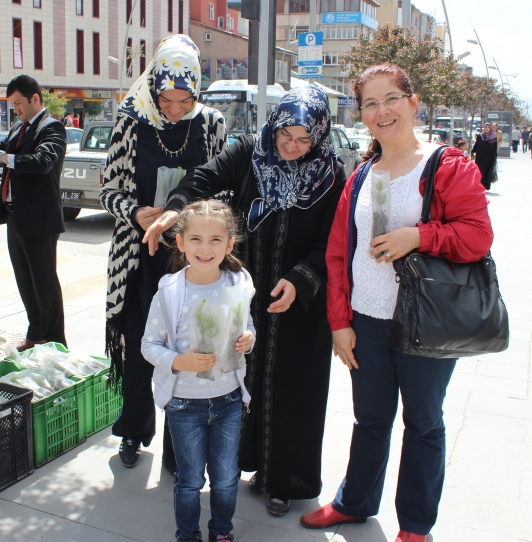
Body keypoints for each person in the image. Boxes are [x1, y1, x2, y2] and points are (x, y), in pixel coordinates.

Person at [300, 63, 493, 542]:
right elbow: (339, 254)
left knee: (423, 423)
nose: (381, 110)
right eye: (370, 103)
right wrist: (339, 321)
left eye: (391, 99)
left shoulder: (447, 165)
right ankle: (355, 502)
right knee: (369, 419)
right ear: (361, 114)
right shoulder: (362, 174)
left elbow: (477, 237)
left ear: (412, 102)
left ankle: (415, 525)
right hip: (366, 321)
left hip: (424, 322)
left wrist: (418, 236)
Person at [145, 86, 347, 516]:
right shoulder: (249, 153)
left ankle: (281, 480)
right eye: (285, 135)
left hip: (296, 301)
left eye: (303, 139)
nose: (291, 146)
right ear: (273, 126)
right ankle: (203, 464)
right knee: (222, 371)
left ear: (319, 137)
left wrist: (302, 278)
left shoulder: (331, 175)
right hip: (238, 292)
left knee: (289, 388)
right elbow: (201, 179)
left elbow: (334, 239)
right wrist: (176, 210)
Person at [100, 34, 227, 471]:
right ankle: (134, 430)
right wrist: (134, 213)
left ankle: (182, 448)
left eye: (184, 100)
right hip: (140, 258)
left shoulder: (210, 123)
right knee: (139, 344)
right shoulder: (129, 122)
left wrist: (191, 217)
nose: (174, 110)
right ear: (153, 87)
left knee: (189, 349)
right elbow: (107, 191)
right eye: (166, 100)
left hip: (193, 260)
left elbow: (222, 188)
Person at [141, 200, 256, 542]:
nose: (205, 249)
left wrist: (248, 339)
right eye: (196, 239)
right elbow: (149, 345)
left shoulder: (238, 282)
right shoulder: (169, 291)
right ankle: (187, 534)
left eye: (215, 240)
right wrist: (180, 362)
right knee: (190, 479)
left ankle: (222, 531)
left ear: (229, 245)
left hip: (228, 400)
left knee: (225, 477)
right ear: (180, 242)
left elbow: (245, 325)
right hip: (184, 403)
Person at [0, 75, 68, 350]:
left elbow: (42, 162)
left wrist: (2, 156)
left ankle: (55, 342)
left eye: (18, 103)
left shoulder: (52, 128)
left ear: (35, 99)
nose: (14, 108)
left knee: (45, 283)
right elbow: (1, 146)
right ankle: (36, 333)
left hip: (40, 219)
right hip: (14, 215)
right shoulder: (20, 128)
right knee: (25, 281)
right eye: (11, 104)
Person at [471, 123, 497, 190]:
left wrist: (495, 158)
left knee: (488, 172)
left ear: (490, 128)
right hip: (480, 158)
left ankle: (486, 186)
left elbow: (495, 149)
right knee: (480, 172)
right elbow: (476, 145)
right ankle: (480, 186)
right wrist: (472, 152)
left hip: (489, 159)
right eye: (485, 127)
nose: (487, 128)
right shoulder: (480, 136)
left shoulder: (493, 138)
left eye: (488, 127)